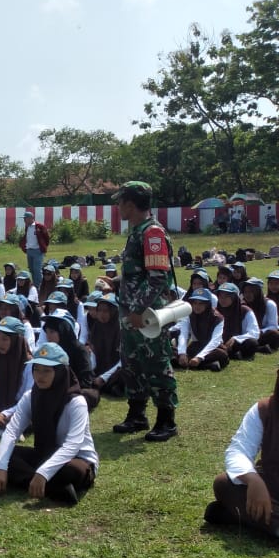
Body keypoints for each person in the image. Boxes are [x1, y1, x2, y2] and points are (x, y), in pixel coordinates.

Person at [111, 181, 180, 442]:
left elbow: (158, 277)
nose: (118, 207)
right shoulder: (138, 231)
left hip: (149, 315)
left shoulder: (152, 233)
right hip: (132, 315)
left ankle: (166, 420)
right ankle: (137, 414)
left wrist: (139, 309)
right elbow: (137, 274)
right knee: (132, 364)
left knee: (156, 363)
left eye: (120, 202)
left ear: (130, 203)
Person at [0, 342, 98, 505]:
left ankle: (29, 479)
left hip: (75, 459)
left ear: (61, 373)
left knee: (73, 470)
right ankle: (55, 489)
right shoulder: (30, 396)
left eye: (47, 371)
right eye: (36, 370)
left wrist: (43, 473)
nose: (40, 376)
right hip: (44, 454)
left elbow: (72, 445)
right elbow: (12, 432)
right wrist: (2, 467)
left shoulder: (76, 402)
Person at [205, 369, 279, 538]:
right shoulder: (265, 409)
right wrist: (253, 479)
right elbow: (239, 450)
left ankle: (238, 515)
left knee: (220, 509)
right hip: (272, 487)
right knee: (224, 483)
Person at [174, 288, 228, 372]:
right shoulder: (189, 314)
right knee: (174, 353)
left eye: (201, 303)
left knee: (222, 354)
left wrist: (199, 357)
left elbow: (215, 340)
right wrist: (182, 353)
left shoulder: (218, 318)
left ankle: (194, 363)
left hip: (213, 348)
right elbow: (183, 335)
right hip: (197, 345)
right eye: (195, 303)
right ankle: (207, 365)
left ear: (207, 304)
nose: (197, 306)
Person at [19, 211, 50, 288]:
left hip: (37, 250)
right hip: (29, 250)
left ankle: (41, 286)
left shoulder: (40, 226)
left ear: (31, 218)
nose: (24, 220)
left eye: (25, 218)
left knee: (37, 270)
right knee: (31, 269)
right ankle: (35, 285)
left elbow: (46, 238)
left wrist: (43, 247)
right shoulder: (27, 227)